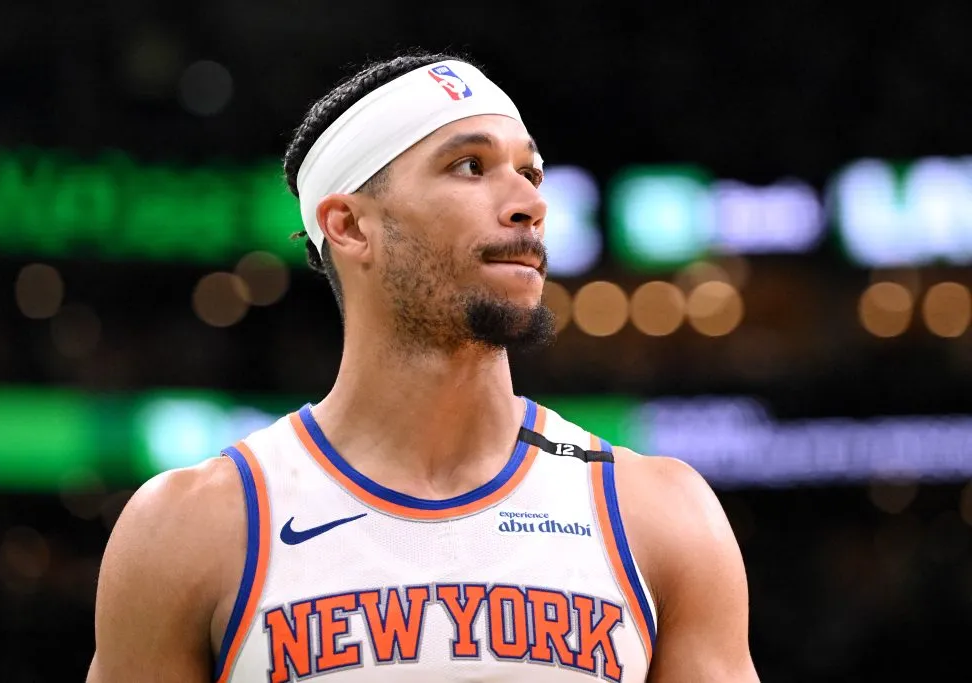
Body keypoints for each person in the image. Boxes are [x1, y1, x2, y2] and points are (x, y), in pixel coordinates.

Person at [87, 49, 760, 682]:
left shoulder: (661, 515)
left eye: (529, 172)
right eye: (470, 166)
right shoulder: (192, 528)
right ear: (349, 225)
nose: (530, 203)